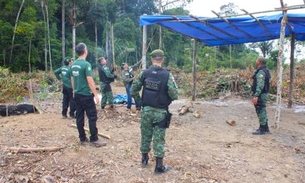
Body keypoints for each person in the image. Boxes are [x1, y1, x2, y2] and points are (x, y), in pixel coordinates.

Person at [131, 49, 178, 174]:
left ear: (151, 59)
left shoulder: (144, 73)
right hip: (160, 112)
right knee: (159, 138)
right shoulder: (167, 75)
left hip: (146, 110)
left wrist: (140, 102)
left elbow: (133, 90)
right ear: (162, 59)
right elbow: (174, 94)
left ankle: (144, 159)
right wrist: (166, 99)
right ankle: (159, 167)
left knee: (145, 134)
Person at [71, 43, 106, 147]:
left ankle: (82, 138)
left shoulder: (73, 65)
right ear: (85, 51)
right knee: (92, 116)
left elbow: (72, 79)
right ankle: (94, 138)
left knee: (79, 116)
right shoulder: (86, 64)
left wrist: (74, 90)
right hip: (86, 95)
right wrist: (95, 94)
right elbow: (90, 81)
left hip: (77, 94)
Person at [252, 57, 271, 135]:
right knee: (262, 110)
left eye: (257, 60)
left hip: (261, 94)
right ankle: (266, 128)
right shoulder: (266, 70)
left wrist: (256, 95)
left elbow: (260, 85)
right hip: (264, 94)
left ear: (259, 62)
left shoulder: (261, 72)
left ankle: (262, 129)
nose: (256, 61)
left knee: (260, 110)